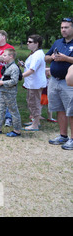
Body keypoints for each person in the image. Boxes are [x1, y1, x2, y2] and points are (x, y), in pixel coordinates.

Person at [45, 17, 73, 150]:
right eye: (62, 27)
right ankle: (63, 136)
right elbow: (46, 57)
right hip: (54, 81)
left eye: (66, 27)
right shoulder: (57, 42)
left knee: (72, 112)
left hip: (69, 83)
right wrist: (52, 57)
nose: (63, 30)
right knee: (60, 110)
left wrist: (65, 58)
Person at [0, 48, 22, 137]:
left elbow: (14, 81)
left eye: (4, 55)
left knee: (13, 111)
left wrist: (2, 82)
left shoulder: (14, 68)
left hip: (10, 93)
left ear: (11, 56)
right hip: (3, 91)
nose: (3, 57)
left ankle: (17, 130)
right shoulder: (7, 66)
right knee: (1, 110)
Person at [21, 35, 47, 131]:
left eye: (30, 42)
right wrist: (23, 65)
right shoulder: (34, 54)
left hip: (35, 84)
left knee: (35, 103)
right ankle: (35, 121)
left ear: (37, 43)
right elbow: (31, 67)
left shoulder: (37, 55)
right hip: (32, 83)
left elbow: (32, 70)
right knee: (30, 102)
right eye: (28, 41)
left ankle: (35, 125)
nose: (28, 43)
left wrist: (20, 76)